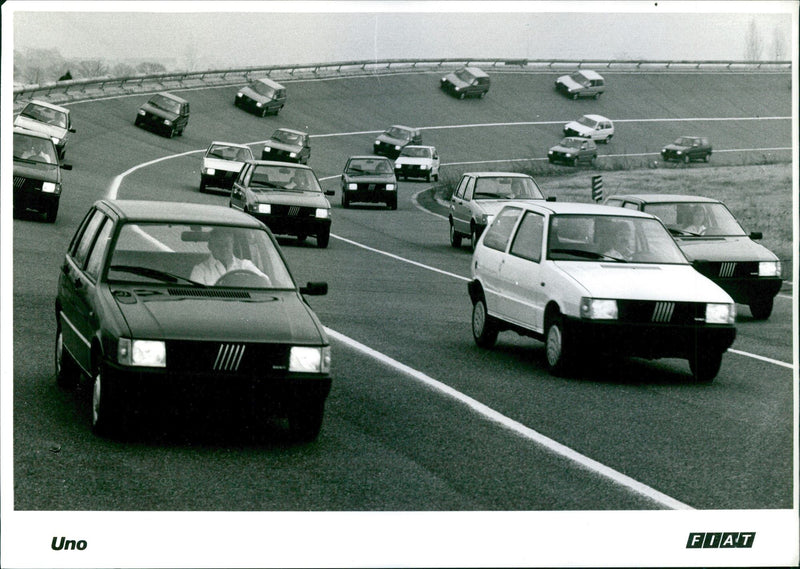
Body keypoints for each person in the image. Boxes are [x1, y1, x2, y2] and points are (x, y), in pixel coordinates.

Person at [190, 228, 271, 285]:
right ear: (210, 246)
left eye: (227, 244)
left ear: (233, 244)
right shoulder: (200, 270)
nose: (224, 248)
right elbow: (197, 299)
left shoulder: (245, 265)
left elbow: (265, 282)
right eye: (219, 245)